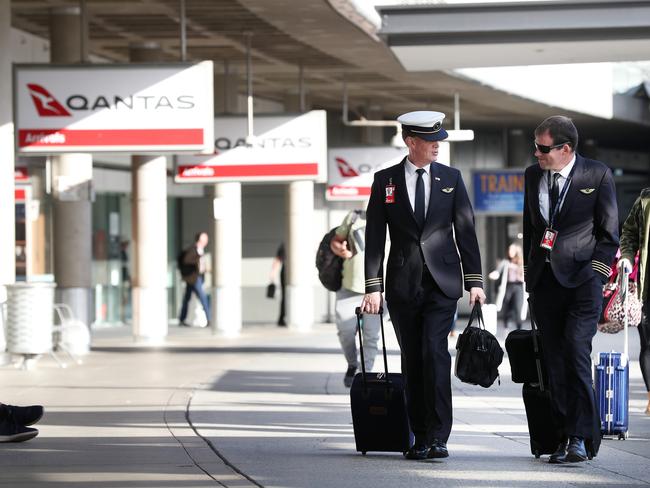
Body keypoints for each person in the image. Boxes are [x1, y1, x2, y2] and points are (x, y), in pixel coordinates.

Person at [360, 110, 486, 461]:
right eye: (431, 142)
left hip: (442, 284)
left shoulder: (451, 178)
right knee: (413, 359)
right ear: (410, 141)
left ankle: (439, 436)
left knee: (435, 353)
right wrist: (374, 287)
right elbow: (374, 237)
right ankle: (418, 435)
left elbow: (466, 229)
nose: (437, 148)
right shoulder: (385, 180)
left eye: (439, 141)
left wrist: (474, 281)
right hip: (402, 284)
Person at [523, 115, 618, 463]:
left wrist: (596, 275)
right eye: (535, 146)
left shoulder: (597, 174)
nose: (536, 153)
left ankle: (580, 437)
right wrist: (529, 276)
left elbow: (609, 235)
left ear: (566, 149)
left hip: (582, 283)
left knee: (576, 353)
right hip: (545, 284)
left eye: (543, 147)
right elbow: (531, 228)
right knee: (554, 362)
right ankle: (562, 436)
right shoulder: (533, 175)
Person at [330, 209, 380, 387]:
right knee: (345, 331)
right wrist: (341, 251)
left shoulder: (395, 214)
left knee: (371, 336)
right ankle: (352, 364)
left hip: (378, 289)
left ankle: (365, 375)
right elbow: (335, 241)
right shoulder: (354, 217)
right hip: (350, 286)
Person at [618, 187, 650, 415]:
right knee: (648, 344)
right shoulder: (645, 198)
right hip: (647, 286)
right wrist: (627, 258)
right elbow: (628, 233)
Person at [488, 243, 527, 330]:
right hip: (508, 286)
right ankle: (506, 326)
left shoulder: (522, 262)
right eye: (509, 250)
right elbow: (498, 271)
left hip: (519, 287)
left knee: (518, 308)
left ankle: (519, 328)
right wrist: (494, 274)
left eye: (512, 250)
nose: (510, 251)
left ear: (517, 251)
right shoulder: (505, 262)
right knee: (506, 306)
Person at [179, 232, 211, 327]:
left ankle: (182, 318)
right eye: (205, 238)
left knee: (187, 298)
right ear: (200, 240)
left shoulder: (200, 250)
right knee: (203, 298)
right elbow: (187, 260)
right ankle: (209, 319)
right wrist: (198, 258)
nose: (206, 241)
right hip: (194, 278)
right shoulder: (193, 250)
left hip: (197, 277)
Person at [269, 243, 286, 327]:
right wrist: (273, 274)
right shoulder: (285, 246)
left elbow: (277, 260)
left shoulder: (284, 245)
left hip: (285, 273)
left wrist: (273, 274)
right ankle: (282, 318)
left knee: (285, 296)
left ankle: (282, 318)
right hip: (287, 273)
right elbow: (277, 260)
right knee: (285, 297)